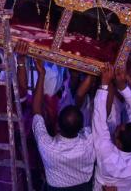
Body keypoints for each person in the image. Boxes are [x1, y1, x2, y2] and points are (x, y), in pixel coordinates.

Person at [31, 57, 94, 190]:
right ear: (81, 127)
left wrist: (41, 74)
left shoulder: (47, 146)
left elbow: (37, 111)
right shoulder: (90, 141)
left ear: (58, 125)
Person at [93, 65, 131, 191]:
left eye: (117, 130)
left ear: (118, 143)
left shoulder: (107, 155)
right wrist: (123, 87)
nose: (117, 126)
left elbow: (99, 119)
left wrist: (104, 85)